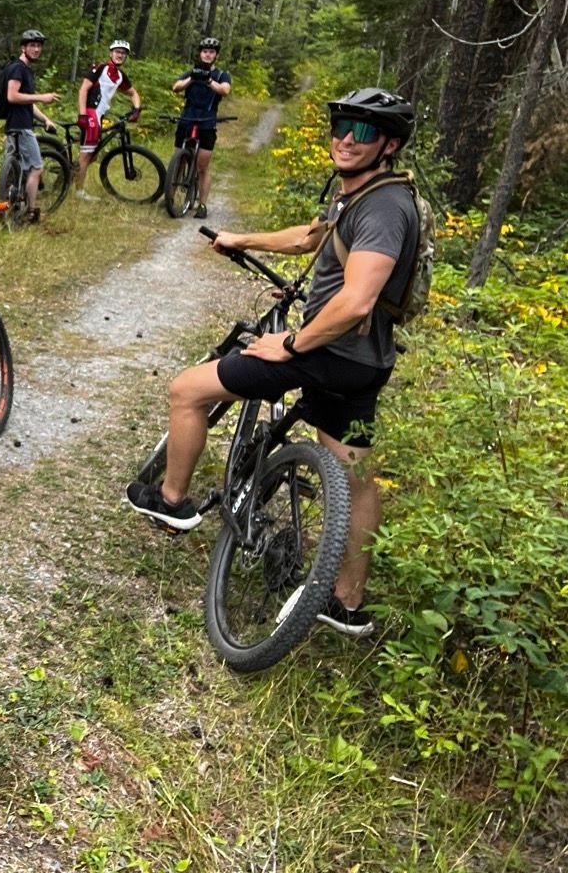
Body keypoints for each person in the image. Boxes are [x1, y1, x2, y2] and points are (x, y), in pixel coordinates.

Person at [126, 90, 421, 636]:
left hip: (324, 355)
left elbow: (356, 301)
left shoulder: (381, 209)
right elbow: (312, 237)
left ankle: (172, 502)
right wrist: (244, 237)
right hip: (363, 363)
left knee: (187, 391)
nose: (346, 139)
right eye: (341, 126)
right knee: (356, 477)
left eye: (363, 131)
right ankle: (347, 603)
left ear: (390, 144)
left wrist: (289, 345)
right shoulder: (362, 193)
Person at [1, 28, 63, 222]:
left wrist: (45, 119)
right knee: (36, 168)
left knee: (15, 171)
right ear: (23, 48)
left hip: (15, 126)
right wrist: (43, 97)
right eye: (32, 46)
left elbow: (27, 103)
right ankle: (30, 212)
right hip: (21, 128)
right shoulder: (18, 68)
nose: (36, 49)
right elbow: (12, 96)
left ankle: (11, 209)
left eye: (39, 46)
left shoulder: (22, 69)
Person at [170, 37, 233, 219]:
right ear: (200, 54)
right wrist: (192, 78)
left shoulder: (222, 75)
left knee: (202, 166)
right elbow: (176, 87)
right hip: (186, 118)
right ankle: (171, 194)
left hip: (207, 122)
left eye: (211, 52)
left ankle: (202, 204)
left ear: (216, 55)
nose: (207, 54)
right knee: (179, 160)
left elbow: (225, 90)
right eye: (205, 51)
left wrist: (208, 81)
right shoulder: (192, 72)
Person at [73, 40, 143, 199]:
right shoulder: (100, 68)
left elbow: (133, 93)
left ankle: (71, 171)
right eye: (117, 51)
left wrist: (137, 109)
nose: (120, 55)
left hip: (99, 115)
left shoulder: (119, 76)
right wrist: (82, 114)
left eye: (123, 53)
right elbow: (83, 89)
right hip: (91, 113)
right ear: (110, 53)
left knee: (93, 155)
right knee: (86, 155)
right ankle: (79, 191)